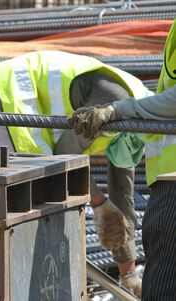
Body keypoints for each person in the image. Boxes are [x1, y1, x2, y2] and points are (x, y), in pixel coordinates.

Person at [0, 50, 152, 297]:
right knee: (37, 193)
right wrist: (99, 203)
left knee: (46, 192)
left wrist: (129, 276)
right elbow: (64, 158)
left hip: (14, 112)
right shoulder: (113, 101)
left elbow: (122, 200)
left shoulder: (133, 119)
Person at [69, 20, 176, 301]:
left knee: (165, 283)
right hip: (167, 178)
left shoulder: (121, 103)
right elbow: (121, 196)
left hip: (173, 179)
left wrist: (120, 111)